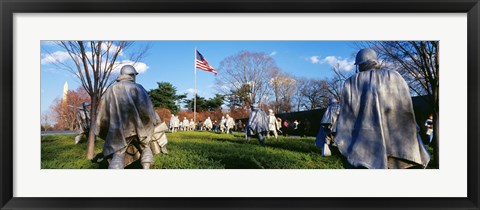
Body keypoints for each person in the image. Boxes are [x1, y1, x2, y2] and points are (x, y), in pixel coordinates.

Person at [335, 48, 430, 169]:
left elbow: (347, 116)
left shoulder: (352, 82)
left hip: (364, 146)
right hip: (397, 144)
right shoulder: (395, 76)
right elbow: (406, 109)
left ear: (359, 64)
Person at [95, 65, 165, 169]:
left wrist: (105, 127)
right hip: (139, 128)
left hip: (117, 129)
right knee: (145, 147)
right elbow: (146, 109)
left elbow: (102, 111)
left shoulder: (111, 89)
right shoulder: (138, 87)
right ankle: (146, 166)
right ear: (132, 75)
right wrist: (153, 121)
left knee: (118, 154)